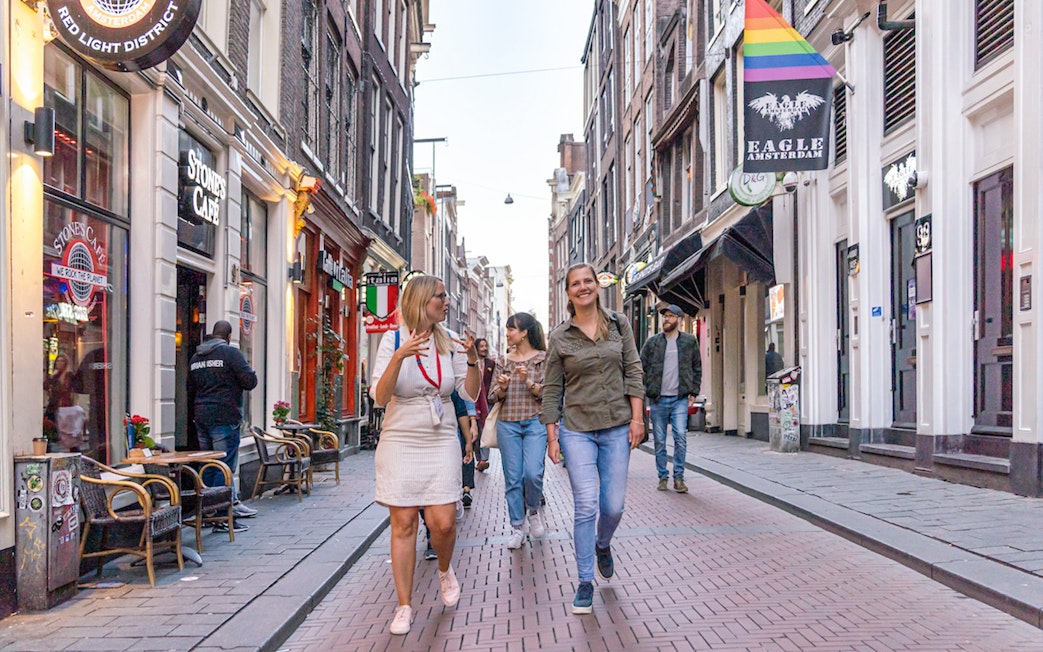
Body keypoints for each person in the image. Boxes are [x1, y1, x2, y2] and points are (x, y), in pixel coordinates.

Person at [369, 274, 480, 636]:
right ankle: (404, 605)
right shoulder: (392, 339)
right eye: (440, 296)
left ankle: (445, 569)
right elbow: (380, 397)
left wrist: (475, 362)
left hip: (441, 435)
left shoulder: (448, 343)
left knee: (443, 522)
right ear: (420, 301)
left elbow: (469, 392)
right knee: (403, 524)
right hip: (400, 436)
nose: (446, 302)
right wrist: (399, 357)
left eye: (446, 296)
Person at [541, 263, 645, 615]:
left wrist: (637, 418)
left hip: (617, 425)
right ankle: (584, 581)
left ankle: (603, 543)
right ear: (568, 293)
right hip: (577, 428)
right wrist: (552, 436)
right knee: (586, 505)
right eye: (575, 284)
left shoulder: (618, 324)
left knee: (613, 505)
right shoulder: (560, 337)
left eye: (588, 281)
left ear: (597, 286)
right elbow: (553, 388)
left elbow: (633, 369)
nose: (583, 288)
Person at [187, 320, 259, 531]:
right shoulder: (230, 354)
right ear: (228, 337)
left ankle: (207, 511)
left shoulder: (195, 358)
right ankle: (222, 516)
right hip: (225, 415)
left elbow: (191, 387)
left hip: (201, 415)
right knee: (223, 465)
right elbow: (250, 382)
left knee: (208, 463)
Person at [488, 312, 547, 549]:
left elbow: (549, 393)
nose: (507, 333)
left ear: (524, 333)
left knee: (532, 473)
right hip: (508, 424)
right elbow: (492, 396)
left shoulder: (543, 358)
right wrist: (501, 389)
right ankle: (516, 527)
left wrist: (528, 383)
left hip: (535, 422)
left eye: (511, 329)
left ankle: (532, 510)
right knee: (513, 478)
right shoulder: (503, 361)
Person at [640, 304, 702, 493]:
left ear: (679, 319)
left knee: (680, 437)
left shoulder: (689, 341)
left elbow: (697, 367)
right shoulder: (652, 343)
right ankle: (662, 476)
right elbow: (640, 366)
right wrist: (645, 389)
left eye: (670, 316)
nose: (666, 319)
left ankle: (679, 477)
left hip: (680, 398)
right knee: (659, 439)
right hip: (658, 399)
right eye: (665, 316)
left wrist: (694, 392)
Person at [472, 338, 496, 472]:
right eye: (481, 346)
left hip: (487, 402)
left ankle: (484, 459)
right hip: (473, 401)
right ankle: (479, 457)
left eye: (485, 346)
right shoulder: (469, 363)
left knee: (485, 429)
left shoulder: (491, 363)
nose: (484, 348)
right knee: (476, 431)